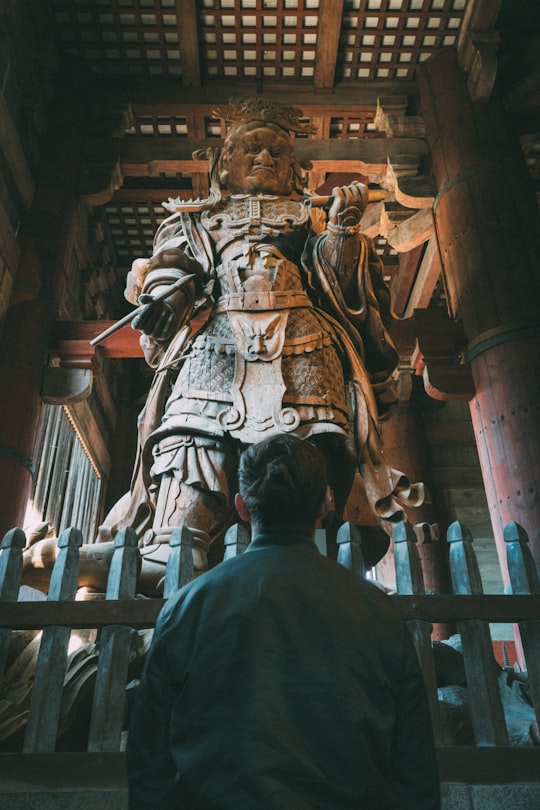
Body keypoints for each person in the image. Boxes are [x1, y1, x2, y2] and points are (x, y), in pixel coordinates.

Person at [22, 97, 423, 595]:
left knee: (302, 459)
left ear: (297, 171)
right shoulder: (195, 218)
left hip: (305, 346)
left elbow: (342, 287)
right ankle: (171, 549)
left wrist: (342, 232)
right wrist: (165, 296)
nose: (264, 159)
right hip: (215, 344)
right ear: (222, 165)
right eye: (250, 149)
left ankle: (310, 557)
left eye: (277, 152)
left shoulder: (312, 218)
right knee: (192, 442)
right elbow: (173, 264)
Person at [126, 434, 440, 809]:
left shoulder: (185, 608)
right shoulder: (378, 612)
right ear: (326, 502)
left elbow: (148, 756)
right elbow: (414, 766)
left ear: (241, 507)